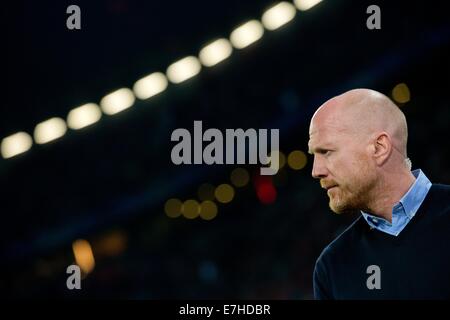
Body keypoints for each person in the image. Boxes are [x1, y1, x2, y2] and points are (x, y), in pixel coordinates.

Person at [308, 88, 450, 299]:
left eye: (326, 152)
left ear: (379, 147)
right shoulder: (331, 268)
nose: (315, 171)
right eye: (314, 154)